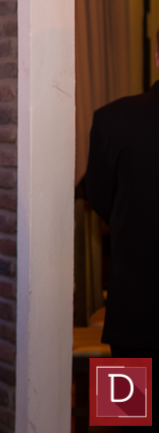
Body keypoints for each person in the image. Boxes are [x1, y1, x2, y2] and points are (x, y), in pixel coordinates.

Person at [85, 42, 159, 364]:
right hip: (131, 312)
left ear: (156, 56)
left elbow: (100, 198)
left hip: (132, 312)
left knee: (125, 398)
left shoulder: (112, 119)